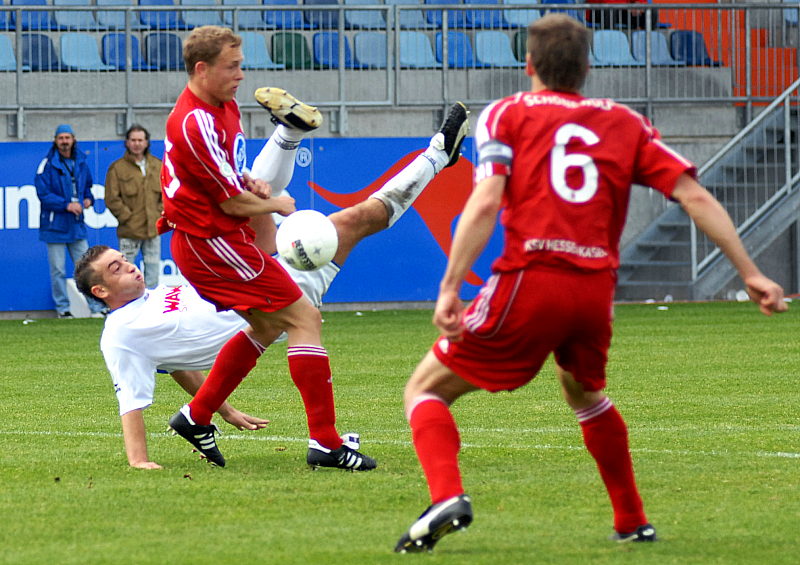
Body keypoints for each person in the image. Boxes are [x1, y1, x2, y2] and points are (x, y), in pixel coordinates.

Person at [394, 14, 788, 553]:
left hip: (532, 280)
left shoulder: (506, 115)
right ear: (586, 68)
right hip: (595, 292)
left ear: (529, 64)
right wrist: (751, 273)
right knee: (584, 392)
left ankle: (446, 496)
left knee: (424, 388)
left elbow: (485, 201)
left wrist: (449, 288)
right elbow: (693, 195)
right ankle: (631, 519)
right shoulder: (624, 122)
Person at [74, 108, 469, 469]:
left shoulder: (148, 302)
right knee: (356, 220)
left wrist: (215, 409)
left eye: (123, 260)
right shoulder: (120, 335)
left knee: (291, 217)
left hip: (248, 286)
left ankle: (292, 134)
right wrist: (138, 460)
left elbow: (175, 360)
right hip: (259, 292)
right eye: (116, 269)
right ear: (101, 293)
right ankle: (434, 155)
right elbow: (131, 399)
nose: (129, 267)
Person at [158, 24, 468, 470]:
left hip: (225, 240)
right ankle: (325, 441)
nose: (241, 75)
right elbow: (228, 201)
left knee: (273, 323)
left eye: (241, 65)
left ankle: (197, 415)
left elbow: (219, 181)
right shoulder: (195, 121)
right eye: (232, 67)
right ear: (202, 68)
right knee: (304, 316)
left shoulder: (219, 107)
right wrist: (274, 201)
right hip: (214, 244)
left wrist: (249, 183)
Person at [34, 123, 105, 319]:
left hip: (76, 224)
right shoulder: (47, 164)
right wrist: (66, 205)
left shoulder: (81, 161)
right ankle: (63, 309)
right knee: (57, 270)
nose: (64, 142)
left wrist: (88, 198)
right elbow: (43, 194)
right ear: (55, 141)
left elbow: (88, 186)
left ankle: (96, 307)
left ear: (73, 139)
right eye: (61, 138)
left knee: (87, 267)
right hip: (54, 225)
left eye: (67, 138)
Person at [104, 124, 164, 289]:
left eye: (140, 140)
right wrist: (127, 218)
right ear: (127, 143)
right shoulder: (117, 168)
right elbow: (112, 198)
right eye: (133, 140)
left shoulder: (157, 165)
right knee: (124, 272)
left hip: (153, 229)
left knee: (152, 270)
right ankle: (127, 306)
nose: (137, 143)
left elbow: (166, 194)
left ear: (146, 142)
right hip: (129, 231)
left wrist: (158, 215)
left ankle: (151, 306)